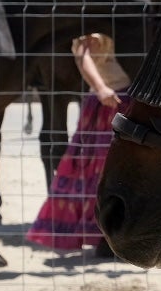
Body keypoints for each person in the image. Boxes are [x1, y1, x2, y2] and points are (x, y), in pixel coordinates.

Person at [27, 32, 130, 258]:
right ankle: (103, 233)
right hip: (109, 99)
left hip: (129, 99)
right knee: (98, 170)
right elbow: (82, 55)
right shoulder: (92, 24)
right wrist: (101, 87)